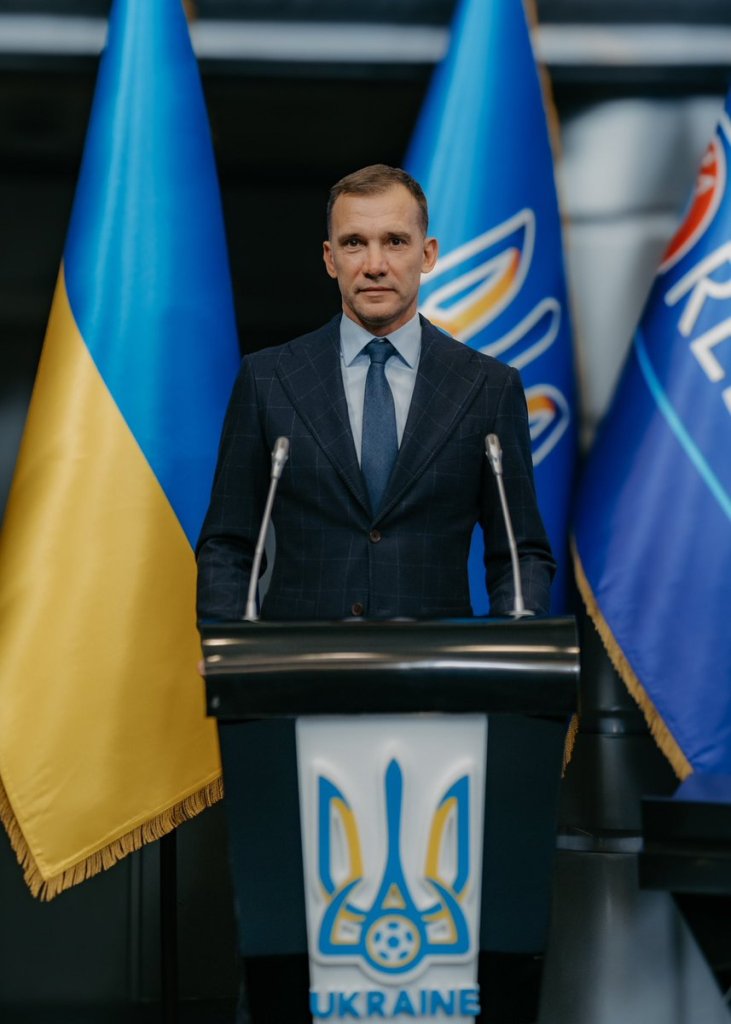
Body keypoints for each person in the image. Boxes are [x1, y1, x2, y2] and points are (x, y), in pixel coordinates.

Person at [196, 164, 554, 622]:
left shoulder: (489, 386)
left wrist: (512, 646)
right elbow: (229, 544)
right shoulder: (267, 379)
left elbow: (520, 554)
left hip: (436, 661)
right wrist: (231, 647)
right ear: (330, 259)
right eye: (354, 243)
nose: (374, 265)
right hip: (300, 659)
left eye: (395, 241)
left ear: (427, 254)